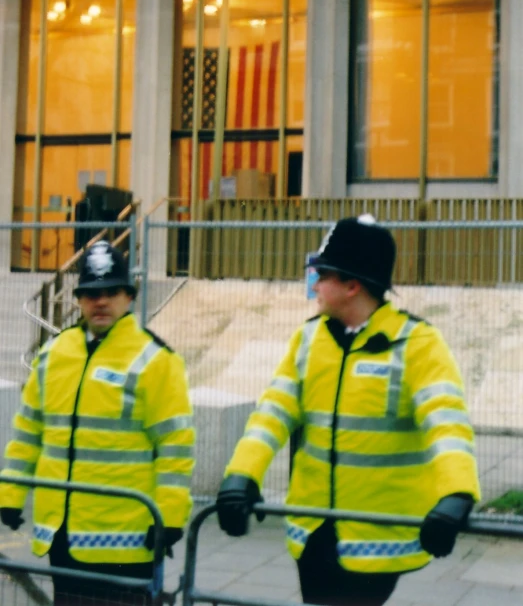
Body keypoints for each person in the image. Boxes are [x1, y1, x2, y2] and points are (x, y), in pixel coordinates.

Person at [216, 215, 481, 606]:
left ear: (351, 286)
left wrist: (457, 493)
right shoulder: (309, 339)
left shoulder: (417, 343)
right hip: (313, 532)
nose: (314, 284)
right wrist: (241, 475)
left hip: (377, 539)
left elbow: (446, 422)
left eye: (322, 275)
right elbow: (272, 413)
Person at [0, 240, 195, 606]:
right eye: (91, 293)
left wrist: (170, 516)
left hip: (126, 542)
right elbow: (28, 433)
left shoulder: (156, 360)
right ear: (78, 299)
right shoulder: (54, 353)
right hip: (62, 538)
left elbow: (175, 447)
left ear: (129, 297)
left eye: (111, 292)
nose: (100, 301)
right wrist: (10, 494)